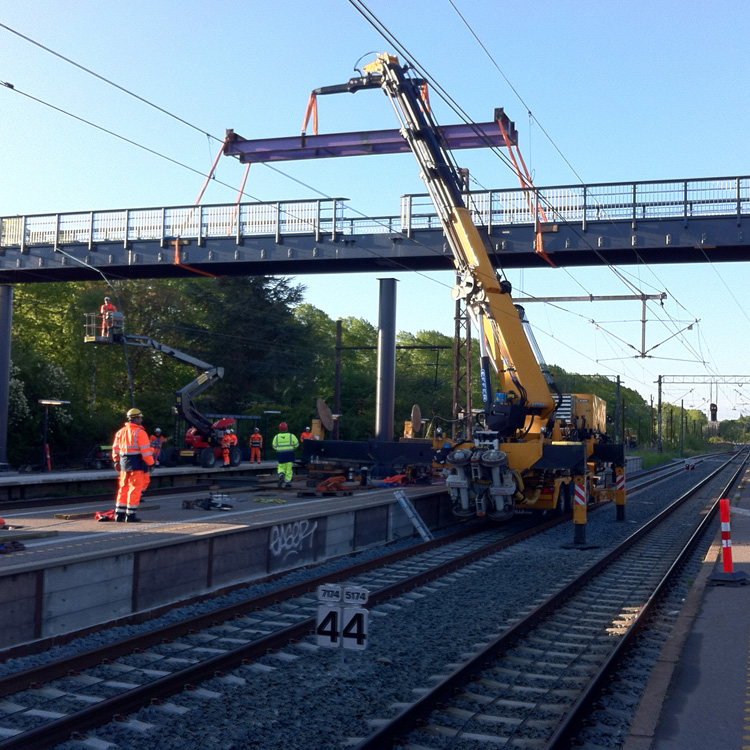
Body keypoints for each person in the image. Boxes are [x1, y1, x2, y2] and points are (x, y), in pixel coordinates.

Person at [111, 408, 154, 522]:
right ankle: (130, 515)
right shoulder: (140, 433)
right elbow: (145, 452)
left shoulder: (120, 432)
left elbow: (115, 449)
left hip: (124, 465)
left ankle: (119, 514)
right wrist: (151, 463)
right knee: (134, 489)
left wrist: (116, 461)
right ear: (135, 418)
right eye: (140, 418)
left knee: (123, 488)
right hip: (137, 465)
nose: (141, 420)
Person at [272, 422, 299, 488]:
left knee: (281, 466)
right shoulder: (291, 436)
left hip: (280, 455)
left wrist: (279, 449)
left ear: (279, 429)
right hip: (289, 454)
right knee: (288, 469)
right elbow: (296, 444)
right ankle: (287, 483)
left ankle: (281, 474)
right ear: (286, 428)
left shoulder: (276, 437)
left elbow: (274, 446)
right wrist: (293, 448)